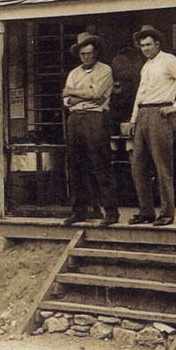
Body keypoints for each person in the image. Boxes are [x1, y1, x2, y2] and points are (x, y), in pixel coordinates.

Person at [124, 25, 176, 227]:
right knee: (138, 166)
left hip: (160, 113)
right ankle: (146, 211)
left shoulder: (169, 61)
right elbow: (140, 94)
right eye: (142, 46)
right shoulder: (146, 65)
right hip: (143, 115)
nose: (145, 49)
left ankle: (166, 213)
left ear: (157, 44)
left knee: (162, 166)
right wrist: (133, 119)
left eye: (148, 45)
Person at [61, 32, 120, 227]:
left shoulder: (105, 70)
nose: (86, 57)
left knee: (100, 164)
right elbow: (66, 100)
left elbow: (97, 94)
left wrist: (75, 93)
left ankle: (110, 212)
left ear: (95, 53)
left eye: (89, 53)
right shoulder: (74, 73)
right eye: (82, 54)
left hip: (95, 118)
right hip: (75, 119)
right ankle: (79, 212)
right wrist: (83, 95)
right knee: (76, 166)